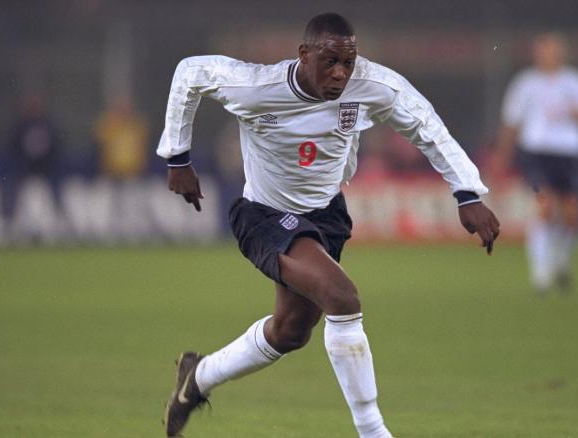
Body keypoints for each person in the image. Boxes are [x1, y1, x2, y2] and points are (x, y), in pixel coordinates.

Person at [158, 13, 500, 437]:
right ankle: (373, 431)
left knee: (290, 331)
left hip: (327, 216)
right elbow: (190, 72)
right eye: (330, 61)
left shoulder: (373, 86)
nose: (340, 73)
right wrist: (178, 157)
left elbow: (425, 124)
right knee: (342, 297)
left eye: (348, 63)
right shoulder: (256, 86)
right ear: (304, 55)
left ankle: (198, 377)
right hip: (264, 216)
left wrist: (467, 192)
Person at [494, 32, 578, 293]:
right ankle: (540, 274)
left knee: (572, 214)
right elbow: (511, 122)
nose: (548, 55)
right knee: (544, 206)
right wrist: (502, 155)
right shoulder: (526, 83)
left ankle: (560, 263)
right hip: (537, 151)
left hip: (570, 152)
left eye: (553, 50)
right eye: (544, 50)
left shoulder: (575, 82)